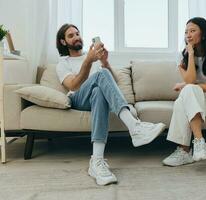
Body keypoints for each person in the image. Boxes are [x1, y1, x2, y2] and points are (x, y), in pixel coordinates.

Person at [55, 24, 166, 185]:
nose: (76, 37)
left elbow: (112, 84)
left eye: (77, 33)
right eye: (71, 35)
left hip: (94, 97)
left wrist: (105, 63)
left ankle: (97, 161)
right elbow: (73, 86)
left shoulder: (93, 58)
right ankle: (134, 127)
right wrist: (88, 61)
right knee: (100, 75)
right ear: (63, 42)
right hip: (78, 99)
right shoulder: (63, 63)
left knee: (100, 92)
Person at [162, 17, 206, 167]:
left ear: (203, 34)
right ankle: (199, 143)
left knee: (185, 94)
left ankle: (184, 152)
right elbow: (190, 80)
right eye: (186, 32)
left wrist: (189, 85)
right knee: (186, 94)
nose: (188, 35)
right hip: (190, 96)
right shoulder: (181, 56)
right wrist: (190, 54)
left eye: (192, 31)